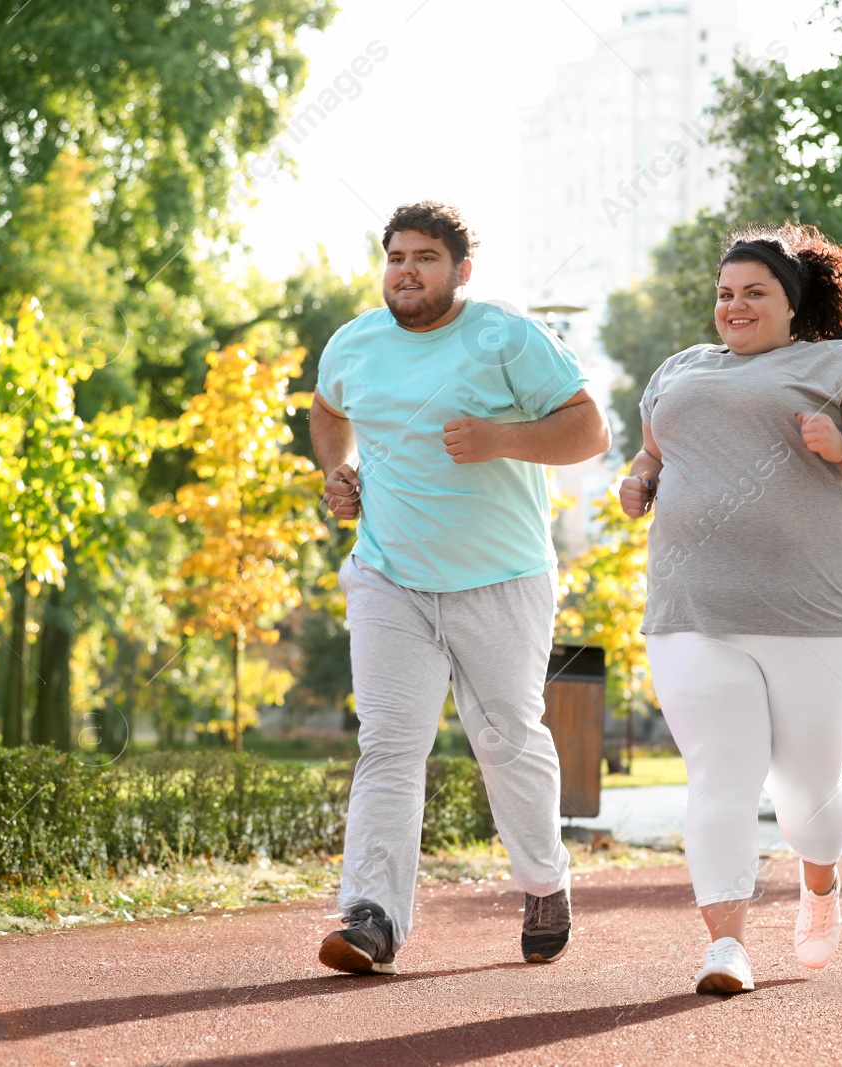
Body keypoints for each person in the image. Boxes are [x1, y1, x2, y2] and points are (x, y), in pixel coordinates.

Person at [618, 223, 842, 995]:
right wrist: (639, 478)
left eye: (755, 292)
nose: (736, 305)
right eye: (725, 294)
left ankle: (818, 883)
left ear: (793, 304)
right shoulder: (680, 370)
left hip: (817, 614)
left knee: (806, 795)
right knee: (720, 775)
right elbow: (654, 451)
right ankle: (725, 945)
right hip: (693, 608)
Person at [311, 199, 611, 974]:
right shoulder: (355, 343)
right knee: (388, 742)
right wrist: (336, 474)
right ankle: (371, 914)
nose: (406, 270)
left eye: (425, 258)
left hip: (502, 577)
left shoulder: (505, 333)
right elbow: (327, 408)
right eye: (396, 257)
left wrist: (499, 439)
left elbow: (590, 430)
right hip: (390, 576)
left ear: (461, 270)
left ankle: (545, 880)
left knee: (506, 738)